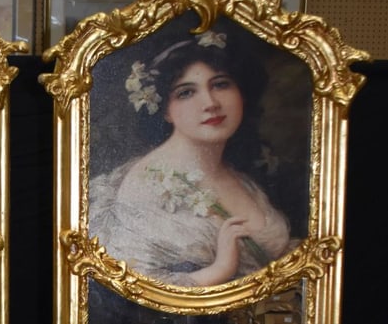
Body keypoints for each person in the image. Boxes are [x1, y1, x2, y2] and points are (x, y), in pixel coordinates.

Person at [90, 28, 294, 286]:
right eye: (186, 92)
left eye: (220, 84)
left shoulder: (241, 177)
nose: (210, 103)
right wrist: (220, 269)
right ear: (165, 110)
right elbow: (137, 289)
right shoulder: (148, 185)